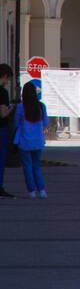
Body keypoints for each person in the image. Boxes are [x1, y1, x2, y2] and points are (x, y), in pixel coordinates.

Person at [13, 79, 48, 199]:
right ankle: (42, 190)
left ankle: (31, 191)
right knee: (36, 166)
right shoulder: (41, 107)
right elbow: (45, 123)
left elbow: (16, 124)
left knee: (27, 167)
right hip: (38, 141)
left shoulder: (20, 107)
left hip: (24, 141)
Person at [0, 63, 15, 199]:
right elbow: (3, 114)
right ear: (4, 76)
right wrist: (11, 108)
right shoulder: (3, 92)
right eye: (8, 79)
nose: (8, 82)